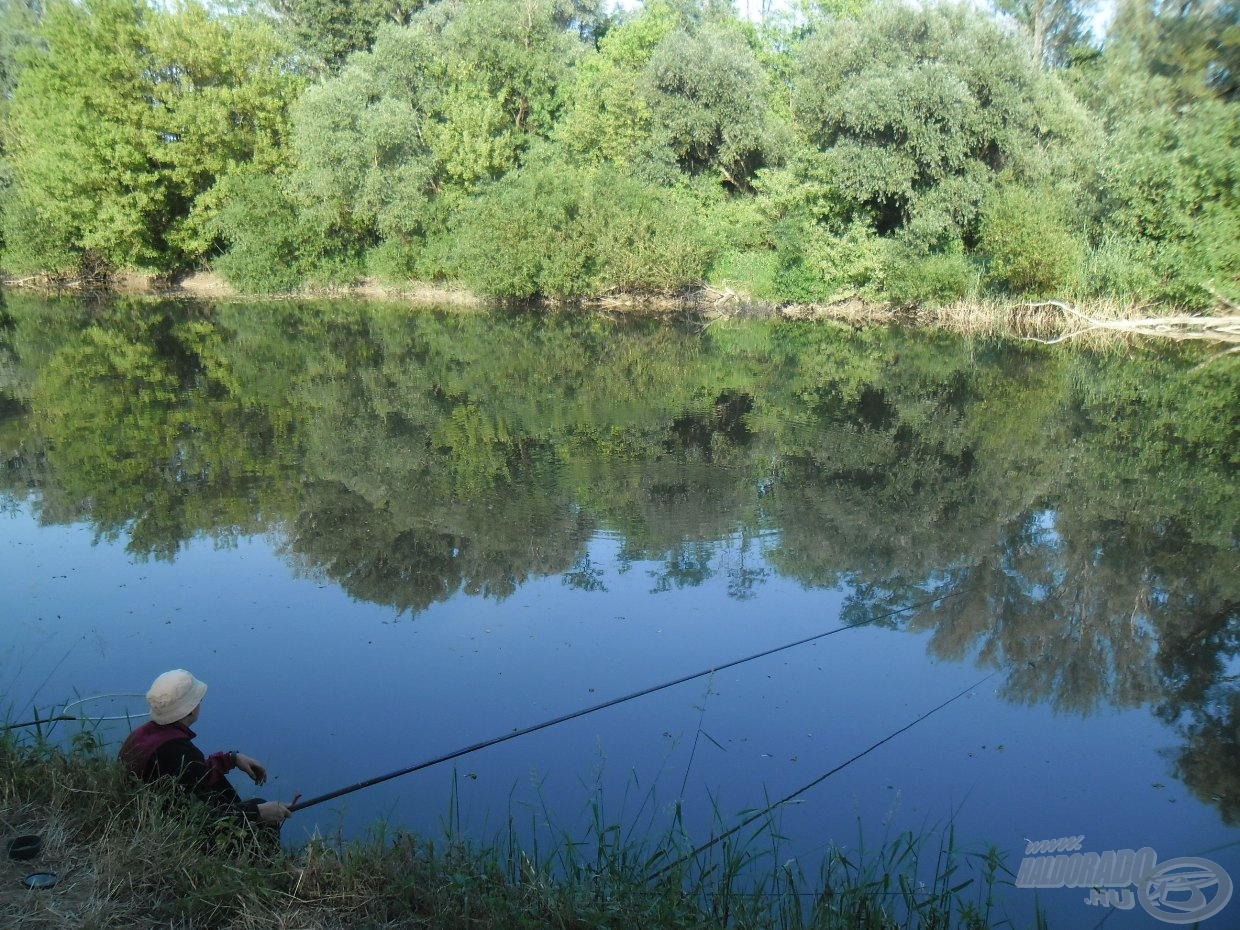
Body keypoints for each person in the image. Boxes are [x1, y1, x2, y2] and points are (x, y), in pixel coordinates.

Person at [119, 669, 292, 829]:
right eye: (198, 700)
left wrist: (231, 759)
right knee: (264, 818)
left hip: (143, 812)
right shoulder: (178, 751)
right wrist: (258, 813)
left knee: (254, 804)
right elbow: (201, 818)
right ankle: (263, 861)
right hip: (173, 831)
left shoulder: (141, 736)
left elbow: (189, 774)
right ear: (190, 711)